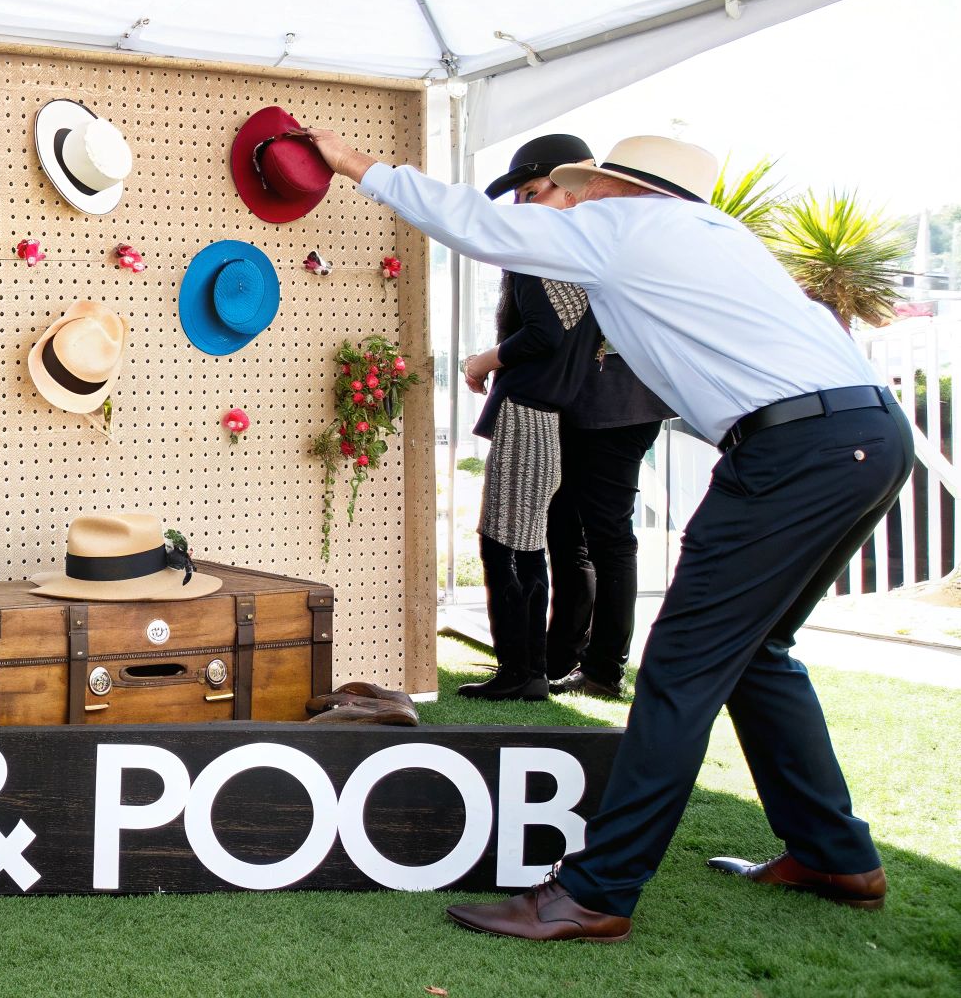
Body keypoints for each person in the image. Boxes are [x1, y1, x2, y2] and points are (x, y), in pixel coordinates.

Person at [293, 128, 910, 940]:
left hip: (795, 449)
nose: (571, 199)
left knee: (683, 669)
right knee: (759, 653)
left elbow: (477, 227)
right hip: (866, 434)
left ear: (624, 189)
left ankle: (596, 892)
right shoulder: (720, 238)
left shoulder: (626, 229)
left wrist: (357, 166)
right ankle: (835, 854)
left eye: (581, 188)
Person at [457, 133, 603, 702]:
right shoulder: (587, 261)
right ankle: (527, 669)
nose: (523, 207)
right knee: (526, 543)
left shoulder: (537, 255)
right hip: (558, 412)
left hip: (529, 410)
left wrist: (482, 361)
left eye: (531, 192)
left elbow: (544, 332)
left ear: (570, 188)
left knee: (505, 544)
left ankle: (521, 673)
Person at [544, 329, 676, 701]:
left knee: (608, 538)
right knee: (568, 530)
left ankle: (603, 669)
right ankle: (561, 658)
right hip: (597, 401)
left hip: (618, 404)